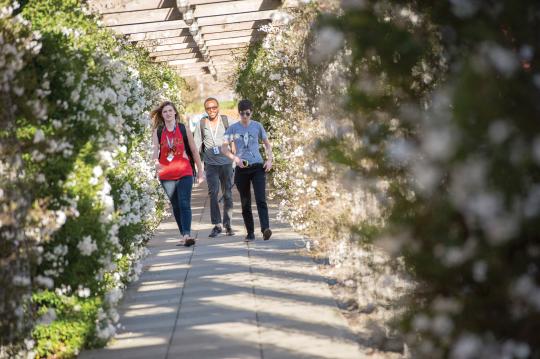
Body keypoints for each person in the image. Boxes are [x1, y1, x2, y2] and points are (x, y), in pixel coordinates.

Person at [151, 101, 204, 246]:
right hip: (166, 174)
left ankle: (187, 234)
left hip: (184, 171)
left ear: (175, 112)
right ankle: (183, 234)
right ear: (162, 115)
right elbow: (155, 151)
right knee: (175, 205)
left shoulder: (183, 128)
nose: (168, 114)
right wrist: (156, 163)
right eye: (165, 112)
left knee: (184, 203)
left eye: (170, 111)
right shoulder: (158, 131)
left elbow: (193, 150)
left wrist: (200, 172)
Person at [222, 99, 273, 241]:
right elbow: (224, 148)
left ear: (251, 112)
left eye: (247, 113)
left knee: (261, 199)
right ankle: (250, 232)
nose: (245, 116)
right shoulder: (233, 128)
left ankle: (265, 228)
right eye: (242, 114)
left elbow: (267, 145)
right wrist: (235, 159)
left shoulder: (258, 126)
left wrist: (269, 160)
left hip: (257, 167)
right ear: (239, 113)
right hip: (241, 168)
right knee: (245, 203)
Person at [193, 98, 235, 237]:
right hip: (210, 165)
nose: (211, 110)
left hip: (226, 163)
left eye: (214, 107)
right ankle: (217, 225)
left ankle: (228, 224)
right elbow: (196, 145)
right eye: (208, 108)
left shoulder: (226, 120)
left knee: (227, 194)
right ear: (205, 110)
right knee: (213, 193)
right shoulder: (202, 124)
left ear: (218, 107)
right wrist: (198, 166)